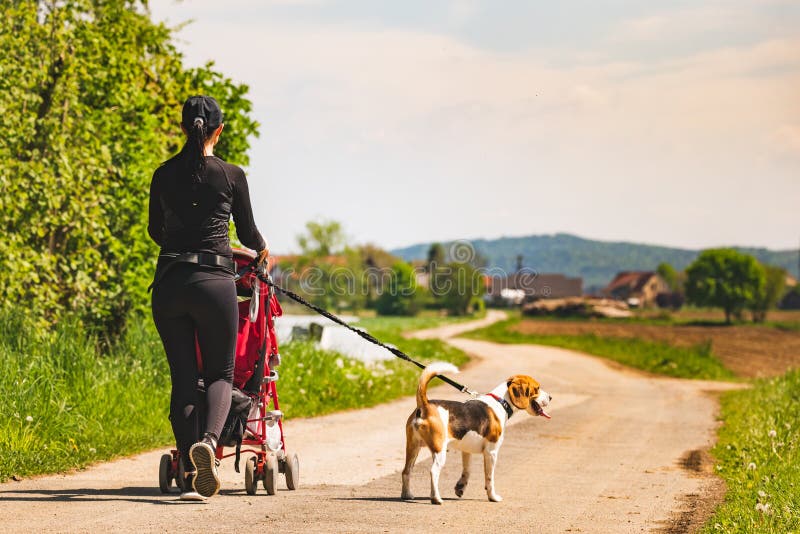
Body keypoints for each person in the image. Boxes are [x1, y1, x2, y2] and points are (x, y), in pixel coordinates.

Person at [148, 95, 269, 500]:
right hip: (215, 281)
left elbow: (155, 231)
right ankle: (209, 446)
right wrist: (262, 249)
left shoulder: (163, 175)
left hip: (169, 282)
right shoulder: (231, 174)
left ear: (184, 128)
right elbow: (248, 235)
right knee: (219, 374)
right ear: (218, 130)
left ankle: (186, 462)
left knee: (183, 378)